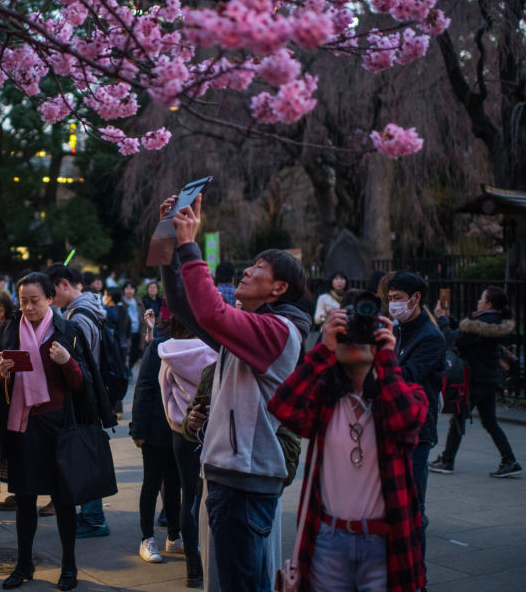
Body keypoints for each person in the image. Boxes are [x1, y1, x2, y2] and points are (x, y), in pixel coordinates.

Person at [159, 194, 310, 592]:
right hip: (233, 476)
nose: (245, 271)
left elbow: (210, 312)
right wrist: (168, 239)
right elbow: (182, 304)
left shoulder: (276, 331)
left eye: (257, 268)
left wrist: (192, 243)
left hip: (244, 481)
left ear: (278, 287)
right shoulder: (253, 326)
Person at [269, 297, 428, 591]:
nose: (354, 341)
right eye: (346, 335)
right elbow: (282, 407)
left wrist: (388, 359)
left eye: (363, 335)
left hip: (385, 542)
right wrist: (322, 349)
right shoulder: (325, 402)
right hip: (328, 540)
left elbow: (405, 420)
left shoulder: (408, 394)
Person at [0, 272, 113, 591]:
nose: (28, 307)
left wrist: (68, 360)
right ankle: (24, 564)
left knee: (64, 502)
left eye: (34, 301)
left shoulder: (66, 330)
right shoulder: (13, 329)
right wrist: (0, 375)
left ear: (50, 299)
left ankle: (69, 567)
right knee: (25, 500)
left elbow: (84, 383)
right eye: (23, 301)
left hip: (59, 428)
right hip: (23, 427)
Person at [42, 263, 117, 537]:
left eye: (52, 292)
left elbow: (81, 360)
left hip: (85, 394)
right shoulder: (88, 308)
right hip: (91, 393)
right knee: (85, 451)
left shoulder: (79, 317)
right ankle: (92, 515)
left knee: (84, 454)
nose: (51, 299)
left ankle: (94, 518)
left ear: (63, 284)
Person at [431, 286, 521, 477]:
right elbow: (464, 336)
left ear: (488, 304)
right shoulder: (494, 322)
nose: (479, 301)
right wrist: (450, 319)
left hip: (475, 380)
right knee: (489, 422)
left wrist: (442, 320)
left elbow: (453, 339)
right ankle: (510, 460)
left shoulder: (479, 324)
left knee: (459, 416)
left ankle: (447, 461)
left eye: (482, 298)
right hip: (489, 379)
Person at [386, 272, 445, 563]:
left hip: (417, 432)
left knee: (412, 508)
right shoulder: (397, 330)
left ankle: (416, 575)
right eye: (390, 299)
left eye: (397, 299)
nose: (392, 305)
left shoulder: (430, 337)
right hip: (389, 427)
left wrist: (380, 356)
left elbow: (407, 377)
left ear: (416, 298)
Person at [156, 317, 218, 585]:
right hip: (214, 431)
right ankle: (213, 558)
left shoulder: (169, 353)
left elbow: (164, 390)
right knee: (213, 496)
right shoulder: (216, 350)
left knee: (188, 497)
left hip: (183, 432)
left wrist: (175, 421)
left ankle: (193, 569)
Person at [130, 323, 186, 565]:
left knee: (174, 485)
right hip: (155, 428)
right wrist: (139, 429)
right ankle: (147, 538)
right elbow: (144, 388)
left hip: (180, 429)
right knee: (151, 484)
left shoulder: (195, 343)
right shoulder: (157, 346)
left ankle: (174, 536)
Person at [122, 280, 144, 368]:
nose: (129, 290)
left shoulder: (138, 301)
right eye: (127, 288)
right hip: (126, 332)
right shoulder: (121, 301)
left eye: (131, 288)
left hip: (137, 331)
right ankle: (127, 372)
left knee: (136, 354)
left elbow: (142, 316)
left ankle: (129, 369)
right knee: (127, 354)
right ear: (124, 290)